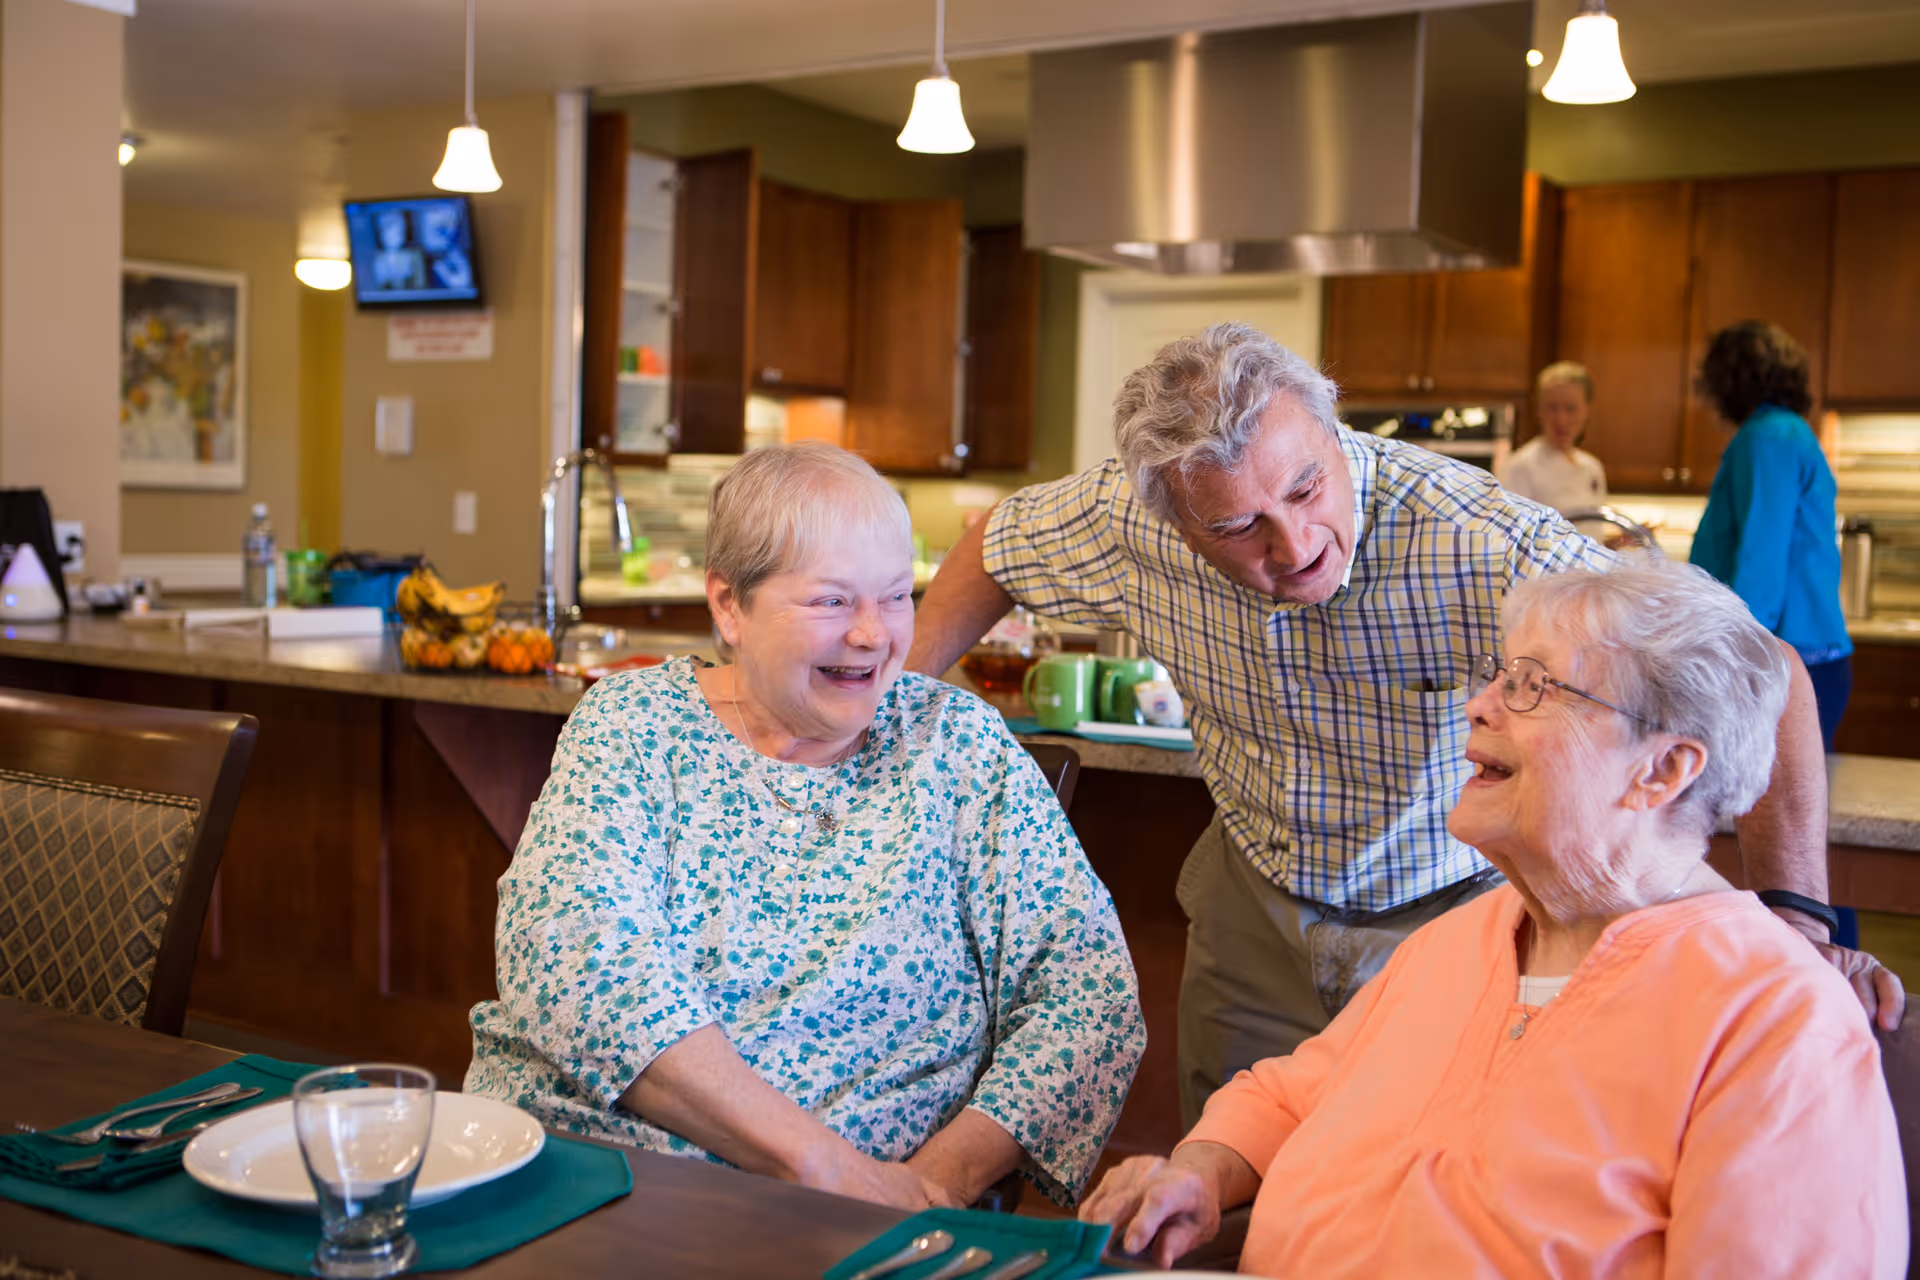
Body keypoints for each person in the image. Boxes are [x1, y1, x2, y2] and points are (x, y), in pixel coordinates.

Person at [906, 322, 1896, 1129]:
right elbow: (1000, 536)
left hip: (1450, 916)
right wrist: (890, 715)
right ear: (1170, 517)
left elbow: (1766, 673)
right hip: (1253, 898)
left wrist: (1795, 917)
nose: (1293, 543)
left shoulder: (1488, 541)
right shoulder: (1122, 520)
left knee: (1420, 1179)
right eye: (1238, 527)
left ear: (1336, 441)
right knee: (1236, 1164)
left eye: (1305, 489)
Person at [1079, 560, 1906, 1278]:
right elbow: (1294, 1096)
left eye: (1533, 685)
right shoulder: (1463, 940)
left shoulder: (1773, 1020)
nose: (1477, 706)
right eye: (1501, 675)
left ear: (1662, 769)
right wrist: (1197, 1172)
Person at [466, 443, 1145, 1210]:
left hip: (870, 1217)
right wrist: (821, 1166)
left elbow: (1089, 997)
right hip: (606, 1181)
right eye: (831, 601)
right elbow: (575, 961)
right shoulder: (634, 725)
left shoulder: (956, 746)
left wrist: (931, 1185)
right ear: (729, 605)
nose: (873, 635)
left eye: (895, 597)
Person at [1690, 321, 1854, 750]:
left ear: (1732, 378)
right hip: (1799, 657)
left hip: (1783, 660)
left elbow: (1762, 559)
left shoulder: (1768, 437)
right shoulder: (1784, 432)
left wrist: (1733, 658)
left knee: (1772, 811)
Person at [1497, 361, 1608, 515]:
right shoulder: (1520, 467)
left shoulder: (1593, 468)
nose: (1561, 420)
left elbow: (1590, 530)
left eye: (1571, 408)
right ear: (1538, 409)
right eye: (1552, 407)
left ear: (1586, 411)